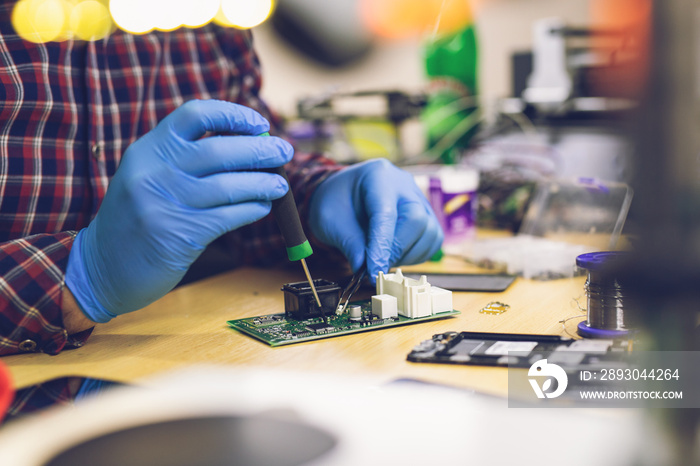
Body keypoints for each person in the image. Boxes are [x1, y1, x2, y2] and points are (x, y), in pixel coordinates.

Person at [0, 13, 442, 356]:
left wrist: (318, 194)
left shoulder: (213, 17)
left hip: (182, 370)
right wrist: (79, 278)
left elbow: (251, 151)